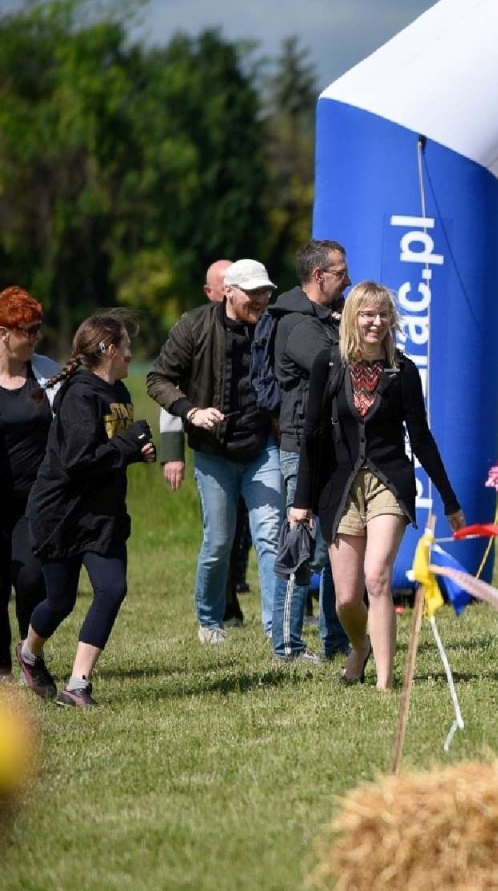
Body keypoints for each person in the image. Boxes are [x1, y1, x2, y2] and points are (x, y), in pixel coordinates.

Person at [289, 282, 465, 689]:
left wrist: (450, 501)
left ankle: (386, 682)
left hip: (389, 484)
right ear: (353, 317)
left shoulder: (403, 371)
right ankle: (360, 646)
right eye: (368, 314)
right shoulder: (328, 364)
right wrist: (302, 501)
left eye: (383, 314)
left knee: (377, 577)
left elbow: (422, 440)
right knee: (346, 598)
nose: (376, 322)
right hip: (339, 489)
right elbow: (312, 435)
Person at [147, 258, 291, 658]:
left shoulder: (273, 326)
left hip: (262, 447)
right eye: (253, 293)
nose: (261, 300)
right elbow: (158, 378)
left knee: (269, 536)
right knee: (219, 542)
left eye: (265, 292)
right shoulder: (194, 326)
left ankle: (275, 629)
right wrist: (191, 412)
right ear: (228, 291)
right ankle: (210, 621)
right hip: (213, 452)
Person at [16, 309, 155, 707]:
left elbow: (110, 452)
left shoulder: (119, 392)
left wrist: (136, 451)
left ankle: (77, 685)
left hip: (103, 514)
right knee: (60, 601)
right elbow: (79, 460)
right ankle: (29, 653)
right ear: (109, 350)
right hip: (62, 513)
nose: (130, 355)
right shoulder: (80, 394)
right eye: (126, 347)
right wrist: (128, 446)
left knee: (112, 589)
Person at [268, 239, 353, 661]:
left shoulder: (329, 318)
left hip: (335, 446)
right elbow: (335, 366)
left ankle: (337, 640)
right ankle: (287, 646)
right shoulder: (297, 325)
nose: (348, 281)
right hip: (301, 447)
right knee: (300, 547)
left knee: (338, 545)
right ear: (318, 276)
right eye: (341, 273)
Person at [158, 258, 251, 629]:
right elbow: (170, 392)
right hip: (211, 446)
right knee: (221, 534)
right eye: (224, 284)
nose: (230, 290)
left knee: (253, 531)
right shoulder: (193, 327)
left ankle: (243, 597)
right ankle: (224, 606)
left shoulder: (254, 326)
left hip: (251, 444)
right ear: (211, 290)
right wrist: (172, 453)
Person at [0, 287, 58, 682]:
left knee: (31, 578)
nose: (36, 336)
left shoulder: (47, 371)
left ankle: (29, 652)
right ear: (4, 333)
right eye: (28, 330)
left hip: (35, 499)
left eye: (38, 328)